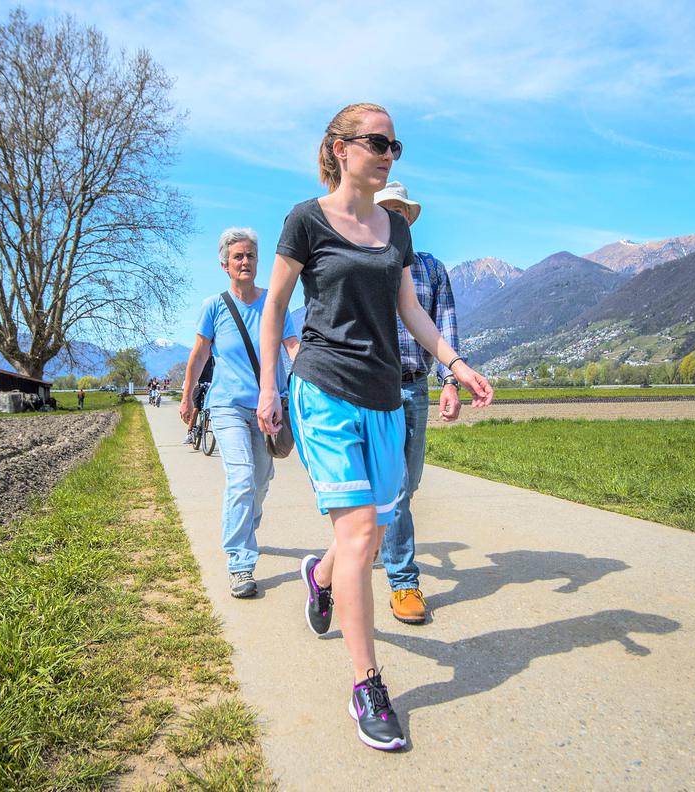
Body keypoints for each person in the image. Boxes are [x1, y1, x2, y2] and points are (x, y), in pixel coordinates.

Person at [256, 103, 493, 751]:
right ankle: (368, 685)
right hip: (324, 391)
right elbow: (275, 305)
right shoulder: (306, 219)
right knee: (362, 531)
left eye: (396, 144)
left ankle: (321, 575)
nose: (389, 151)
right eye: (377, 141)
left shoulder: (394, 229)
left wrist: (454, 364)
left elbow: (410, 309)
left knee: (379, 521)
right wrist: (269, 386)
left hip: (387, 397)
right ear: (339, 149)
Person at [181, 228, 300, 598]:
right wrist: (187, 398)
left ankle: (246, 527)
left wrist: (310, 384)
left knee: (261, 482)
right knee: (242, 477)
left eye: (250, 255)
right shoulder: (214, 307)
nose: (245, 262)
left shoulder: (274, 303)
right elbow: (199, 355)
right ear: (225, 265)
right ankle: (240, 562)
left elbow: (293, 347)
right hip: (228, 406)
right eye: (238, 257)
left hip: (269, 409)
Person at [372, 180, 461, 625]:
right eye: (386, 210)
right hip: (373, 387)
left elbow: (443, 325)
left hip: (415, 386)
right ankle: (403, 581)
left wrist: (451, 380)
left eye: (400, 213)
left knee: (411, 481)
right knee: (398, 488)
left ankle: (375, 538)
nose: (394, 218)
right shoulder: (366, 265)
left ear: (409, 220)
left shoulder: (431, 269)